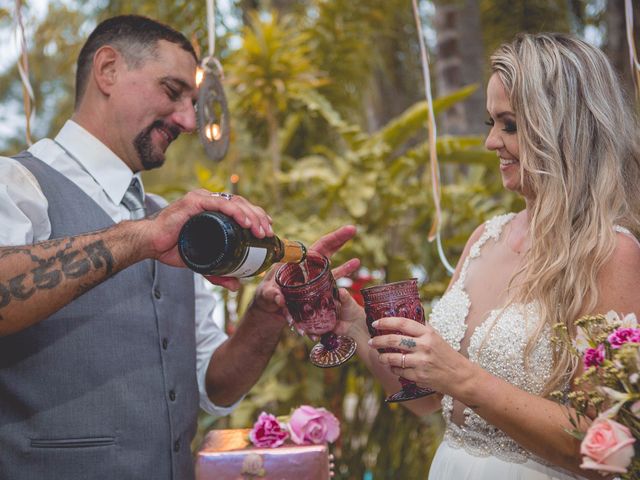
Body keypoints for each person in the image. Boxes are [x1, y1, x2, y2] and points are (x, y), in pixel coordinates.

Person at [0, 15, 359, 480]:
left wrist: (266, 314)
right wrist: (142, 236)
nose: (189, 120)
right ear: (107, 70)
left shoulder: (170, 217)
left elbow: (212, 386)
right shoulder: (16, 183)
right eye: (172, 92)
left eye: (192, 101)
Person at [337, 32, 640, 479]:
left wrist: (462, 377)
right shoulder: (485, 237)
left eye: (510, 125)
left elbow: (608, 451)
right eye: (490, 124)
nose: (491, 143)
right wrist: (354, 325)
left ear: (564, 128)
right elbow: (424, 400)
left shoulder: (612, 253)